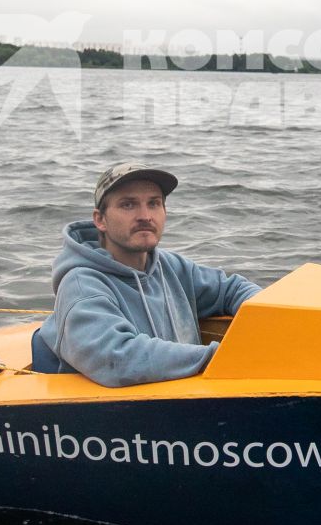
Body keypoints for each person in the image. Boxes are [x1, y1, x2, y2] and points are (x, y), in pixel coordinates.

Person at [30, 163, 261, 386]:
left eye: (154, 203)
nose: (145, 216)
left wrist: (272, 318)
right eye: (128, 205)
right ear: (100, 220)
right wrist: (221, 357)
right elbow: (118, 358)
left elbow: (232, 289)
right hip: (106, 417)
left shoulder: (171, 266)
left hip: (178, 397)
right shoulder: (81, 284)